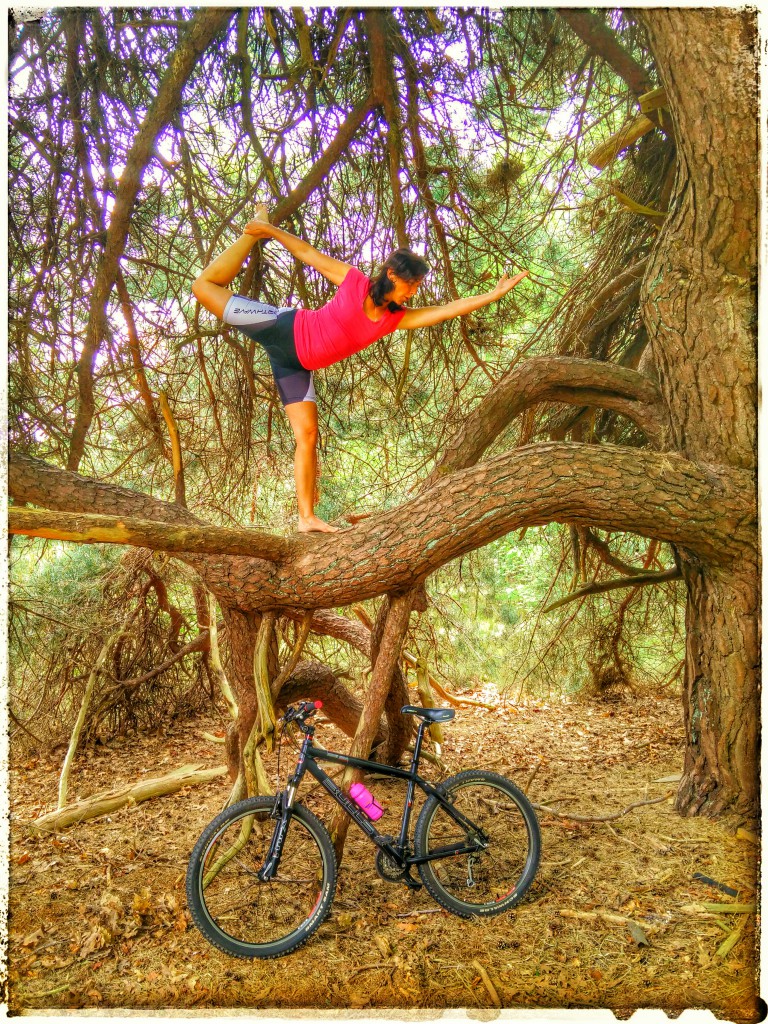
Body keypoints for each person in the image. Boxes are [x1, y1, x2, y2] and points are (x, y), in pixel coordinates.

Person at [192, 205, 528, 533]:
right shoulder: (354, 282)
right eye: (411, 285)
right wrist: (268, 231)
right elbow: (308, 254)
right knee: (203, 287)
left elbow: (445, 310)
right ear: (392, 275)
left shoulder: (395, 319)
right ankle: (252, 231)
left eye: (417, 289)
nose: (413, 293)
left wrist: (492, 295)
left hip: (294, 366)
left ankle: (306, 518)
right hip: (281, 327)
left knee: (307, 435)